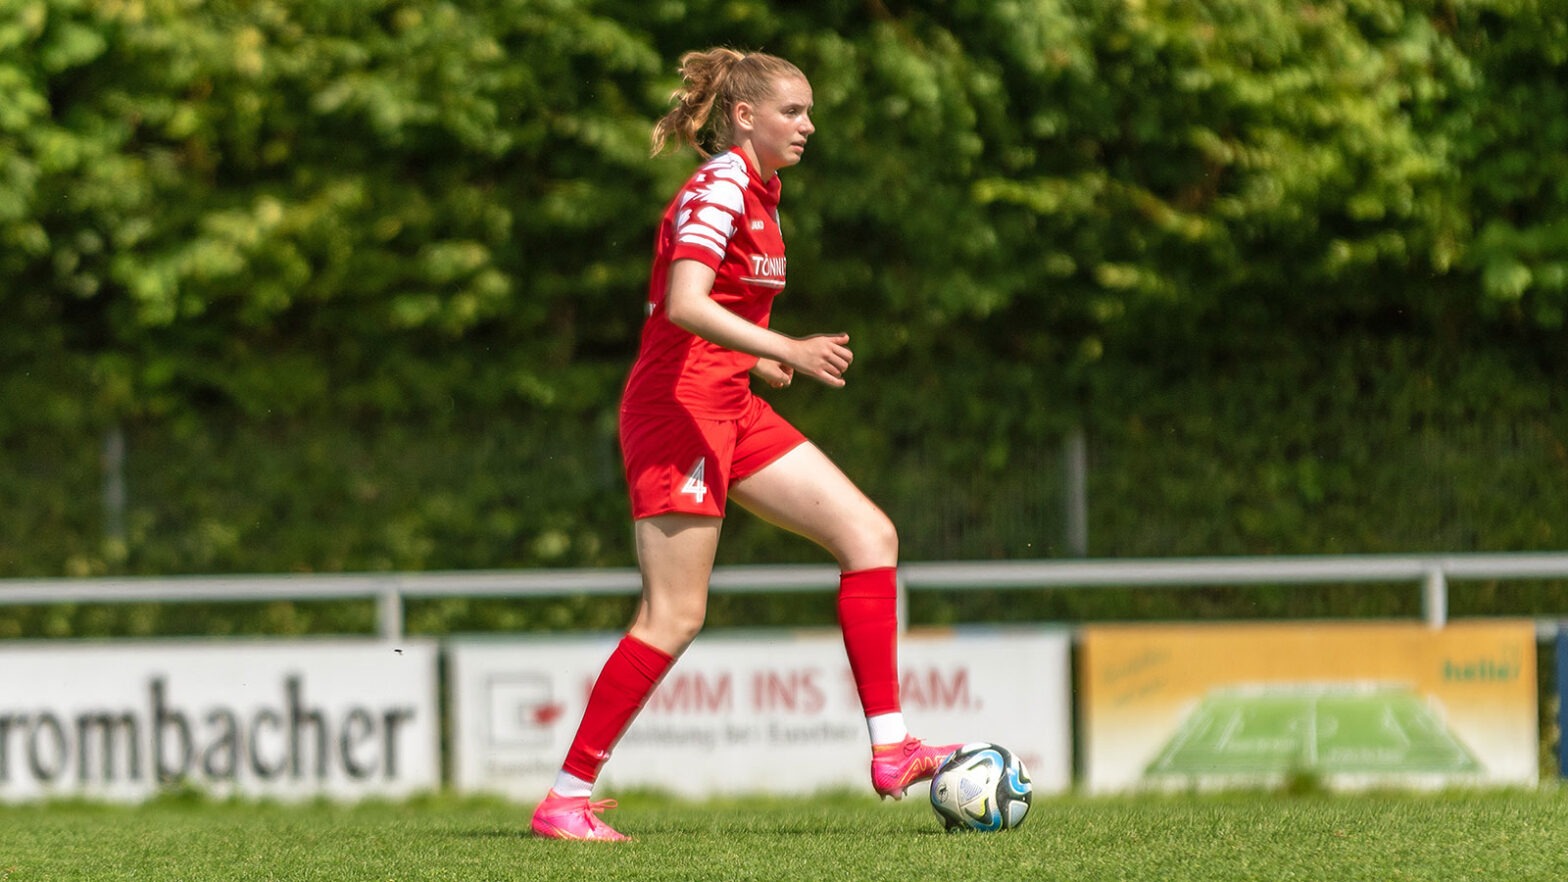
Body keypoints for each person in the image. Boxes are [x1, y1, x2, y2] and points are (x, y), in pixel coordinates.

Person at [530, 47, 959, 842]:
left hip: (727, 400)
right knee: (674, 616)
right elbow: (683, 303)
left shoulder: (763, 191)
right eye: (793, 111)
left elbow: (692, 304)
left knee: (869, 536)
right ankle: (565, 797)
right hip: (678, 410)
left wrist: (753, 357)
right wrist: (786, 347)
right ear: (744, 115)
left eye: (809, 111)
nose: (808, 125)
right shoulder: (722, 184)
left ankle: (892, 749)